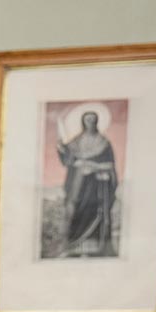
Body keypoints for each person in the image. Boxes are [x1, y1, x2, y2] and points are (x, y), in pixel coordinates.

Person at [55, 108, 118, 256]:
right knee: (76, 209)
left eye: (93, 119)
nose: (90, 122)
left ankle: (94, 247)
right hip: (78, 184)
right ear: (83, 122)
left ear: (97, 122)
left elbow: (110, 165)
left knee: (93, 210)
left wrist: (95, 167)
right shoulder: (76, 141)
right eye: (87, 119)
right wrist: (61, 149)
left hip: (95, 185)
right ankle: (74, 246)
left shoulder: (104, 143)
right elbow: (68, 159)